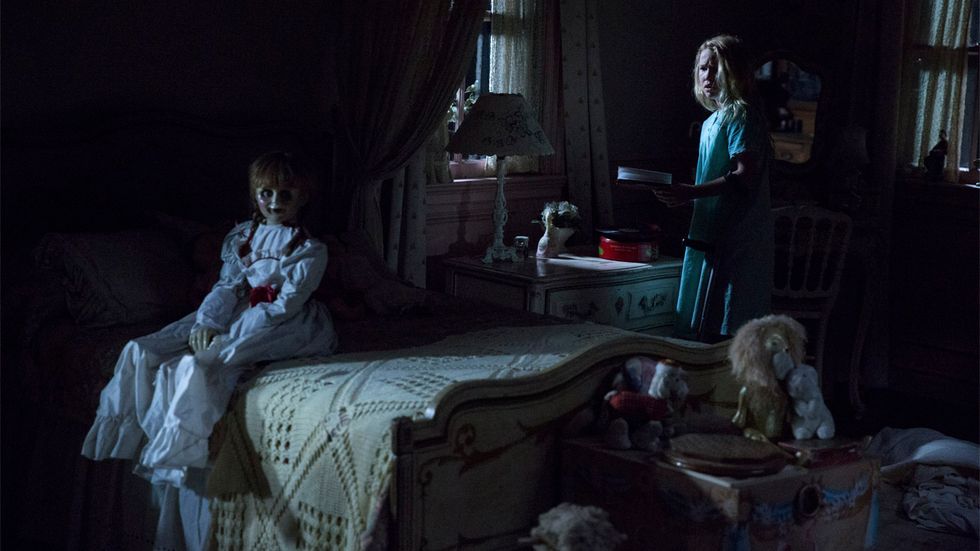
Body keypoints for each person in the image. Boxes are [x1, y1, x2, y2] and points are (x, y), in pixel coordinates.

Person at [81, 151, 338, 548]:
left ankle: (180, 449)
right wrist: (208, 322)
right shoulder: (242, 237)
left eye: (285, 195)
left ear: (302, 197)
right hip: (239, 308)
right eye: (266, 193)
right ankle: (142, 437)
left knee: (201, 366)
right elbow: (228, 285)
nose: (274, 202)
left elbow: (283, 305)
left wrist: (228, 337)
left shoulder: (308, 249)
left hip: (281, 320)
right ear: (255, 194)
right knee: (141, 350)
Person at [648, 34, 774, 340]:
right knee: (705, 315)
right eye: (703, 68)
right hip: (711, 230)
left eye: (716, 69)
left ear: (734, 73)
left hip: (738, 233)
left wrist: (691, 192)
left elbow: (745, 175)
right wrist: (688, 195)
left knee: (728, 322)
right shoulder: (712, 121)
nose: (708, 76)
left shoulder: (741, 116)